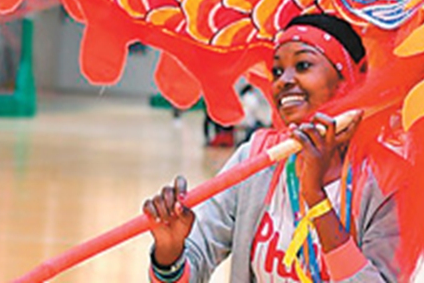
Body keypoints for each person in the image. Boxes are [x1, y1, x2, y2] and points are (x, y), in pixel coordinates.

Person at [143, 14, 401, 282]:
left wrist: (315, 196)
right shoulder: (255, 157)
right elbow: (191, 265)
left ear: (344, 80)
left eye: (302, 65)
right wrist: (169, 253)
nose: (283, 81)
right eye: (277, 70)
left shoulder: (385, 180)